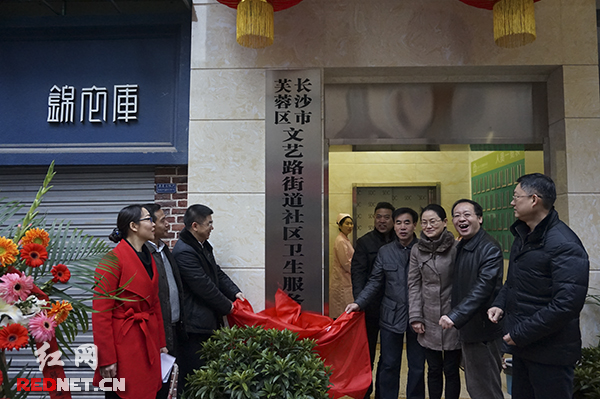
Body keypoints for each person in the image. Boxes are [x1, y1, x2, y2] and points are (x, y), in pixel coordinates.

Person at [487, 173, 589, 399]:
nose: (512, 202)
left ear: (534, 200)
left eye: (516, 196)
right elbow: (512, 282)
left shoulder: (564, 244)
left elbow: (567, 304)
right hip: (524, 347)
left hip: (551, 353)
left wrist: (520, 333)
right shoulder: (523, 235)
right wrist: (499, 303)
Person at [346, 207, 426, 399]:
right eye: (398, 223)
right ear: (394, 226)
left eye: (407, 222)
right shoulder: (385, 251)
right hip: (390, 314)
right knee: (389, 362)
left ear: (415, 225)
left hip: (418, 315)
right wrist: (359, 303)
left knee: (416, 365)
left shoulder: (424, 248)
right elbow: (374, 281)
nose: (402, 227)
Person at [92, 205, 166, 399]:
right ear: (133, 226)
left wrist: (161, 342)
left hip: (147, 339)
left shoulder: (148, 256)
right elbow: (101, 314)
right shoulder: (112, 261)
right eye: (149, 219)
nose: (153, 224)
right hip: (124, 344)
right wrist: (106, 359)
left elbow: (155, 303)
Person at [172, 204, 245, 393]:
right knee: (194, 379)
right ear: (195, 226)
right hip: (194, 328)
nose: (212, 227)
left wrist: (235, 292)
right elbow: (203, 287)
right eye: (209, 223)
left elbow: (216, 273)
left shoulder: (201, 246)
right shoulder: (184, 252)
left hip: (206, 323)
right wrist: (228, 307)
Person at [439, 199, 504, 399]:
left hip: (482, 330)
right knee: (477, 386)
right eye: (457, 215)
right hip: (470, 328)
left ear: (480, 218)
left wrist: (455, 316)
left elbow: (482, 288)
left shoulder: (489, 248)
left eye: (467, 214)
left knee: (485, 389)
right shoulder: (463, 245)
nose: (461, 219)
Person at [408, 204, 460, 399]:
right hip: (428, 317)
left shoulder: (457, 247)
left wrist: (459, 315)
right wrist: (415, 316)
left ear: (445, 222)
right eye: (424, 222)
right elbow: (413, 285)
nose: (428, 226)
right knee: (433, 369)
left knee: (452, 370)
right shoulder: (416, 250)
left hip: (452, 316)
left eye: (433, 221)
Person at [350, 202, 396, 399]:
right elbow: (358, 274)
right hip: (370, 308)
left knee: (389, 357)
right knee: (367, 355)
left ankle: (383, 394)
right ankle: (365, 393)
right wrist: (360, 303)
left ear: (393, 220)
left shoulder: (402, 241)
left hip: (393, 309)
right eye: (379, 216)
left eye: (387, 217)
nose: (382, 220)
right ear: (374, 218)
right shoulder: (364, 242)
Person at [143, 203, 185, 399]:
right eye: (163, 220)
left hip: (173, 327)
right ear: (150, 224)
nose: (168, 224)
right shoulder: (144, 254)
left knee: (168, 383)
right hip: (156, 331)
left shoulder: (163, 249)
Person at [330, 213, 355, 318]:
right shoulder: (341, 241)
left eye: (351, 223)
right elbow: (346, 263)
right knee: (341, 311)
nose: (350, 226)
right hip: (341, 279)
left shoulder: (345, 239)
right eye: (347, 224)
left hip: (346, 278)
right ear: (340, 226)